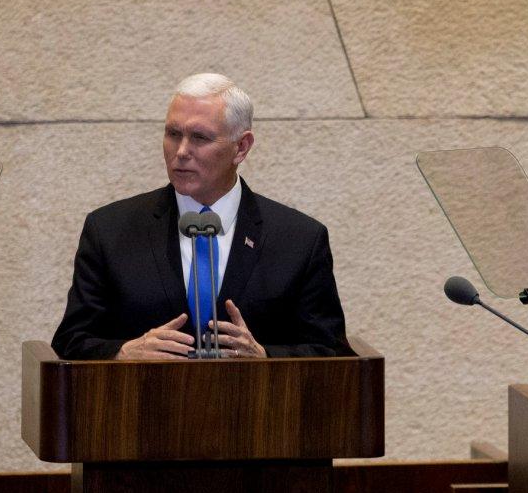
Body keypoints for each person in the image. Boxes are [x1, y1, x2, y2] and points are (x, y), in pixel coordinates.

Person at [52, 73, 346, 360]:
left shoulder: (299, 239)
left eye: (200, 138)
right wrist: (123, 352)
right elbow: (71, 341)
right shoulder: (110, 230)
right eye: (173, 134)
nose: (181, 152)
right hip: (142, 405)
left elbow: (330, 350)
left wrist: (264, 357)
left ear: (241, 147)